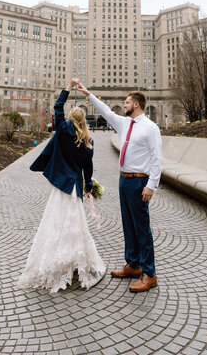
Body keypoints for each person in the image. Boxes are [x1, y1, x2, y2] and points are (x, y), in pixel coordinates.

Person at [17, 79, 106, 293]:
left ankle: (56, 259)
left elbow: (57, 107)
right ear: (84, 121)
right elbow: (88, 170)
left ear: (69, 119)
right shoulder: (87, 144)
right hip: (74, 186)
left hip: (60, 186)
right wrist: (89, 186)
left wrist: (68, 87)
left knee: (56, 222)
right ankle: (73, 259)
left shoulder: (63, 131)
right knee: (74, 225)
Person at [77, 81, 162, 293]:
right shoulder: (125, 123)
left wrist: (151, 185)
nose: (123, 104)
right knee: (128, 224)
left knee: (142, 228)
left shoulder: (151, 128)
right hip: (124, 179)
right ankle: (133, 265)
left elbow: (157, 159)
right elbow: (105, 111)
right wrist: (89, 94)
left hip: (139, 181)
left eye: (127, 102)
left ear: (136, 105)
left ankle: (149, 273)